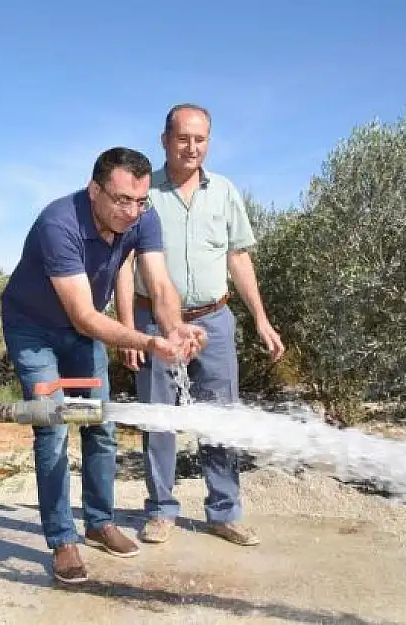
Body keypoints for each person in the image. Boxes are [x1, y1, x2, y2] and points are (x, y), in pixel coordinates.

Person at [0, 146, 206, 584]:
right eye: (121, 200)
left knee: (101, 424)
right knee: (53, 428)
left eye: (140, 201)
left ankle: (98, 521)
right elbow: (85, 315)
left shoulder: (142, 217)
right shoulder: (59, 223)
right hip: (35, 332)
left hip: (82, 336)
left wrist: (175, 328)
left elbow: (159, 281)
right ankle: (63, 541)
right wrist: (150, 342)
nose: (132, 212)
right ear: (95, 189)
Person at [116, 103, 286, 549]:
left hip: (215, 321)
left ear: (208, 141)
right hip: (155, 321)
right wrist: (130, 329)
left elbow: (239, 257)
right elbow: (125, 261)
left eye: (200, 139)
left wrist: (262, 319)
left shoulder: (225, 191)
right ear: (165, 140)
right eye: (183, 138)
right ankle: (160, 512)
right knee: (159, 420)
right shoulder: (143, 192)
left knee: (221, 421)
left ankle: (224, 512)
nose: (192, 147)